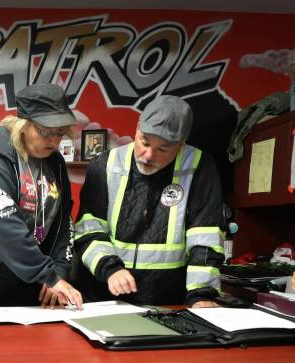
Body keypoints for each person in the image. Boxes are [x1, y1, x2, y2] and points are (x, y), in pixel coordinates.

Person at [72, 95, 224, 307]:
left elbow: (205, 236)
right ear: (137, 129)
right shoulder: (106, 164)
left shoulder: (199, 167)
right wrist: (111, 268)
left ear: (181, 145)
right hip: (102, 294)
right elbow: (88, 228)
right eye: (144, 142)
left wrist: (203, 295)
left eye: (163, 149)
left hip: (166, 299)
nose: (149, 155)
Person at [0, 83, 84, 308]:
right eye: (46, 131)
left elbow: (63, 221)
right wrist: (48, 275)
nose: (54, 141)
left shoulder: (55, 163)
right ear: (23, 125)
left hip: (30, 290)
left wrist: (59, 269)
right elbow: (4, 228)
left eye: (60, 132)